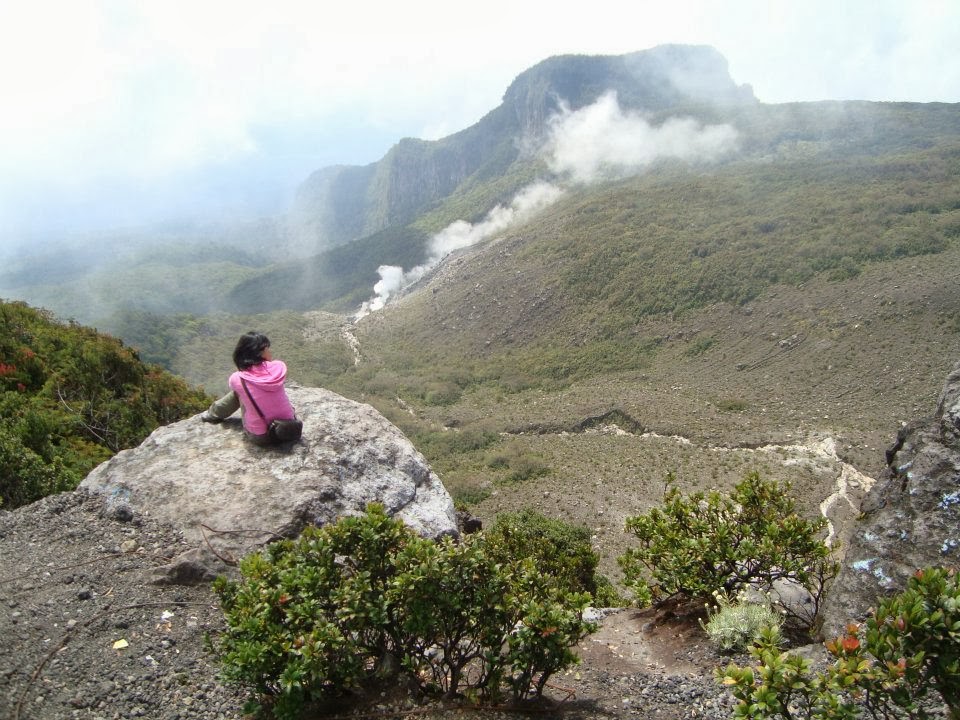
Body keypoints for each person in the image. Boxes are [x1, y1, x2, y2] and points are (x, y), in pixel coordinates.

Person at [202, 332, 298, 445]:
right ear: (260, 353)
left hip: (262, 437)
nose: (270, 352)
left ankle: (213, 414)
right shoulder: (279, 367)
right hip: (289, 427)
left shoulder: (237, 378)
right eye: (267, 349)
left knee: (239, 393)